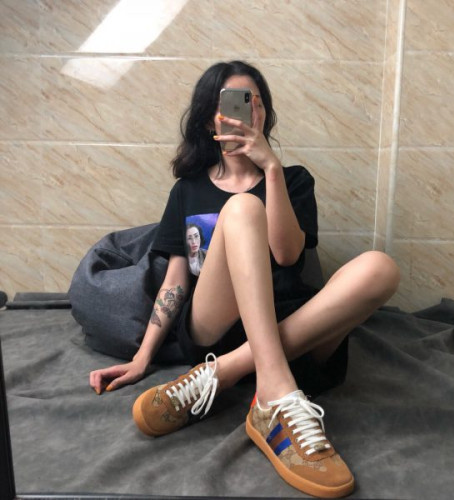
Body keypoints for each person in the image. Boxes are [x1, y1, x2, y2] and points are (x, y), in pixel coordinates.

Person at [89, 60, 400, 498]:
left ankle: (226, 373)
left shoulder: (292, 180)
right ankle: (273, 392)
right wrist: (143, 357)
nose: (245, 111)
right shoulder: (187, 190)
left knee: (381, 267)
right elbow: (176, 280)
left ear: (264, 112)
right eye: (232, 102)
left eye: (254, 101)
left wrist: (271, 169)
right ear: (208, 118)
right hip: (214, 327)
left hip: (288, 325)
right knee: (242, 209)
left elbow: (287, 255)